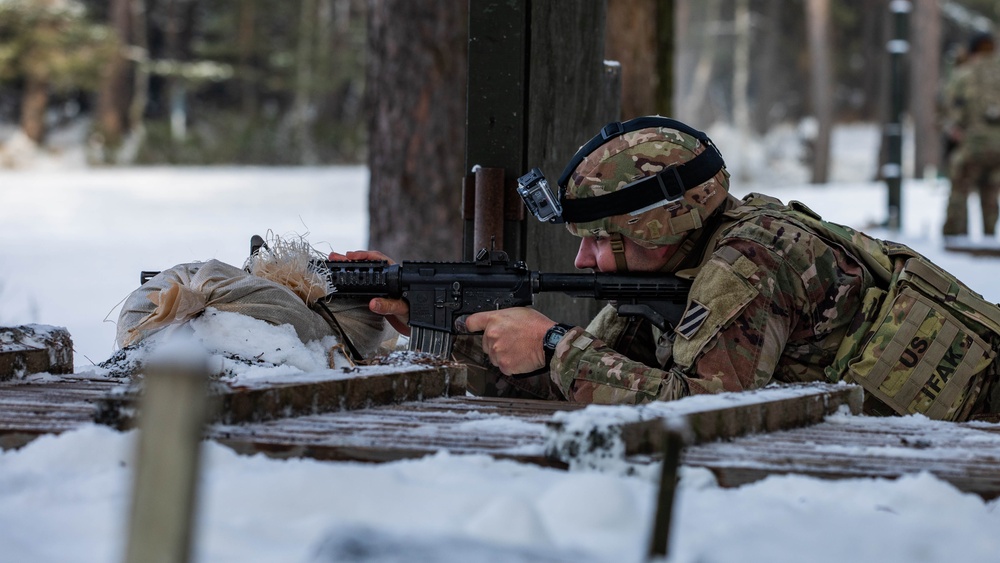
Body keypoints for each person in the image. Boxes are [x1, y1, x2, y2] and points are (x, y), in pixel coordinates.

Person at [334, 116, 1000, 422]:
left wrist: (558, 345)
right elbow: (583, 383)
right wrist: (427, 312)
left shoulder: (749, 263)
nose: (582, 258)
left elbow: (712, 414)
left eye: (599, 238)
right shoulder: (681, 268)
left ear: (656, 228)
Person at [941, 31, 1000, 240]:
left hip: (973, 146)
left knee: (960, 186)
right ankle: (990, 236)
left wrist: (955, 131)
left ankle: (956, 236)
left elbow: (951, 115)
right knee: (991, 189)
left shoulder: (964, 74)